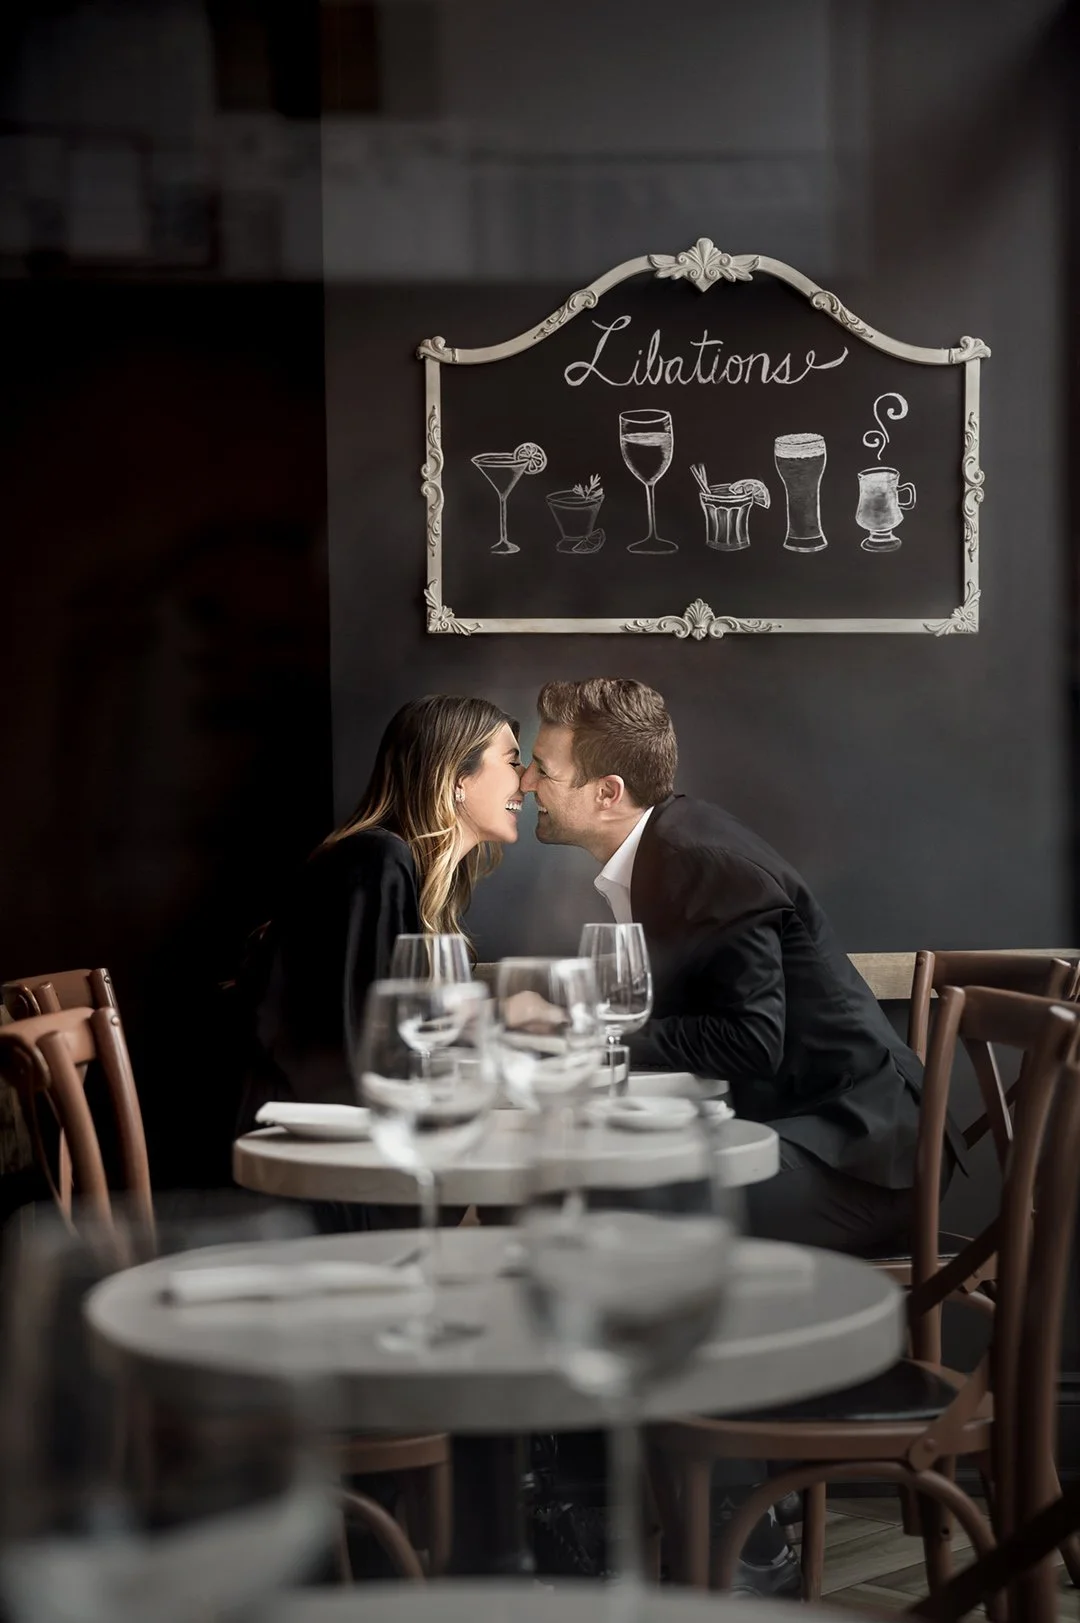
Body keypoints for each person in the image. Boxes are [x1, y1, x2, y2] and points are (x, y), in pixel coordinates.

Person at [520, 676, 963, 1256]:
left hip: (866, 1156)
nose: (526, 784)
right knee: (583, 1186)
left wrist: (584, 1032)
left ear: (608, 792)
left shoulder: (699, 863)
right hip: (806, 1131)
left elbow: (751, 1041)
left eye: (541, 770)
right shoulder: (666, 848)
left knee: (617, 1207)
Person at [235, 694, 523, 1136]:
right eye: (511, 762)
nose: (524, 782)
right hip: (308, 1152)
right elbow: (365, 1052)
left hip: (347, 1135)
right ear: (455, 778)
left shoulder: (407, 875)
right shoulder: (377, 859)